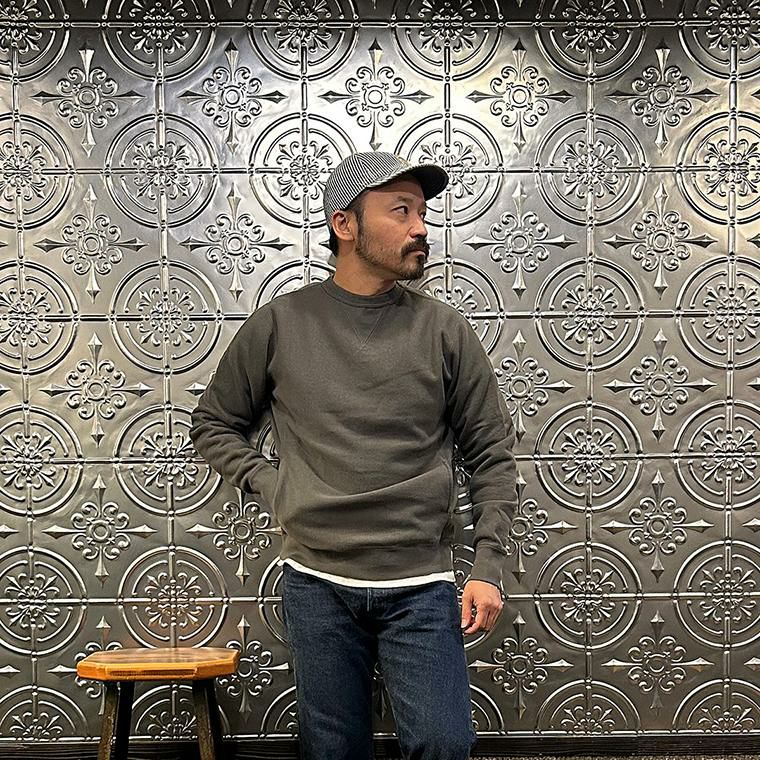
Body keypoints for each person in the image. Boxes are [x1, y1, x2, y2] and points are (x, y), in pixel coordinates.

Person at [189, 151, 518, 759]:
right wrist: (274, 484)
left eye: (423, 213)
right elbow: (213, 423)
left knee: (443, 745)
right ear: (345, 225)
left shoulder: (444, 330)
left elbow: (490, 455)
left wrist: (488, 565)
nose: (421, 227)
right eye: (401, 211)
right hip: (317, 582)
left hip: (420, 582)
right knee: (333, 749)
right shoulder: (282, 323)